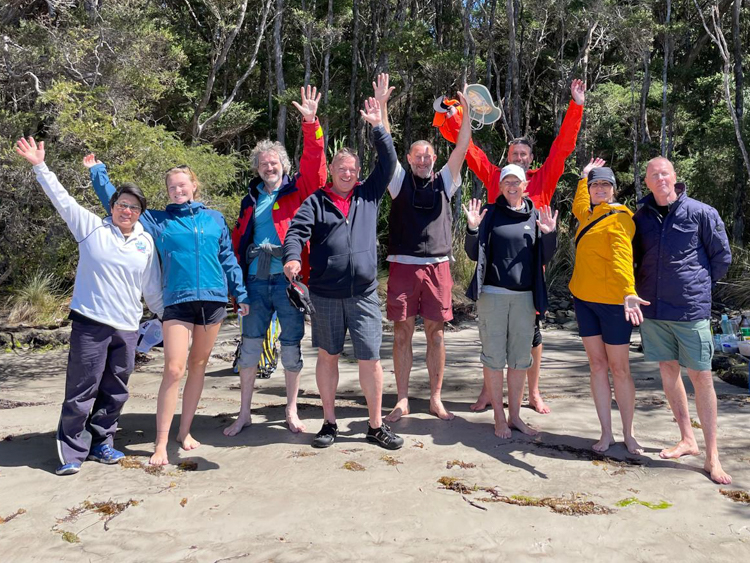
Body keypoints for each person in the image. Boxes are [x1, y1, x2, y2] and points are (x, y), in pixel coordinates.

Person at [85, 155, 250, 466]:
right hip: (176, 302)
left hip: (213, 302)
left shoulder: (214, 219)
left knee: (198, 366)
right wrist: (98, 172)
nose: (177, 191)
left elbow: (228, 258)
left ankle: (183, 433)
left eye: (182, 185)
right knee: (174, 369)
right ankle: (160, 444)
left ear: (194, 186)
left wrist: (239, 293)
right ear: (168, 191)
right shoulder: (158, 220)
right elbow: (119, 204)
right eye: (172, 187)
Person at [15, 137, 163, 476]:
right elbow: (62, 200)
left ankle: (102, 443)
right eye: (122, 204)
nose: (127, 211)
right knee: (82, 387)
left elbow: (151, 286)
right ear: (112, 206)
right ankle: (71, 451)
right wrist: (40, 166)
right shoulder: (91, 228)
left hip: (127, 327)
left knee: (116, 389)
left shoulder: (145, 242)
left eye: (134, 207)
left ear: (140, 213)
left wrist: (167, 317)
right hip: (91, 323)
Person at [437, 80, 586, 414]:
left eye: (524, 155)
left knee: (531, 336)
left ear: (530, 159)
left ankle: (533, 392)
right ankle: (488, 393)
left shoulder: (543, 178)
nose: (518, 158)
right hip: (493, 270)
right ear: (507, 158)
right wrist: (450, 114)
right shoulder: (495, 177)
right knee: (492, 335)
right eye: (514, 154)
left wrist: (576, 105)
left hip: (530, 272)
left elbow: (562, 147)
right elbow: (469, 147)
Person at [283, 97, 403, 450]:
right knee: (328, 357)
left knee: (371, 359)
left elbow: (390, 161)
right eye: (340, 167)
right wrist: (292, 259)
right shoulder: (316, 202)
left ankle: (376, 425)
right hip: (325, 294)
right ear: (332, 170)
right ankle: (330, 422)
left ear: (358, 172)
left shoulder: (369, 195)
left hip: (364, 294)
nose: (346, 173)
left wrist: (379, 126)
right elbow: (295, 233)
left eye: (352, 168)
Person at [224, 85, 327, 436]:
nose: (269, 166)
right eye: (263, 163)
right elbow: (238, 242)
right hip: (254, 281)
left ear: (284, 165)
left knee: (291, 346)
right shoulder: (250, 199)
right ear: (257, 168)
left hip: (288, 282)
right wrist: (234, 285)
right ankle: (244, 413)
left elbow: (315, 166)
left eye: (275, 162)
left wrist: (310, 124)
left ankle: (291, 409)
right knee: (250, 347)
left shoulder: (300, 191)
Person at [372, 73, 472, 422]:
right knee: (402, 333)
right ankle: (401, 399)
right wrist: (383, 105)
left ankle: (435, 398)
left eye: (428, 155)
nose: (424, 160)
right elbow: (386, 147)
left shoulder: (446, 180)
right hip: (402, 265)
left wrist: (468, 115)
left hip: (439, 267)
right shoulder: (398, 181)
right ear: (410, 158)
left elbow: (461, 149)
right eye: (418, 155)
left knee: (437, 334)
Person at [632, 157, 732, 484]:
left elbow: (721, 257)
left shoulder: (702, 212)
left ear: (675, 178)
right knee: (667, 370)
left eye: (665, 173)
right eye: (653, 175)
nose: (660, 179)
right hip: (655, 310)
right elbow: (632, 259)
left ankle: (712, 456)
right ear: (646, 182)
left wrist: (697, 287)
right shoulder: (641, 217)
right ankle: (688, 440)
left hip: (691, 310)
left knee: (701, 376)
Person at [462, 164, 557, 438]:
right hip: (493, 296)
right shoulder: (489, 214)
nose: (512, 186)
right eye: (507, 182)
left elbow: (545, 257)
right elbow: (472, 254)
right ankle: (499, 418)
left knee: (518, 360)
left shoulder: (535, 215)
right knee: (493, 359)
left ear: (525, 185)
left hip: (525, 299)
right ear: (500, 186)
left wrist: (549, 234)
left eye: (517, 181)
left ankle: (515, 416)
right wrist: (471, 228)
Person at [569, 158, 649, 455]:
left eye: (605, 185)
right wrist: (583, 177)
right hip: (584, 300)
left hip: (615, 304)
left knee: (620, 369)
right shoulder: (587, 214)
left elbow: (621, 255)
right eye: (595, 185)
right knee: (597, 366)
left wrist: (629, 291)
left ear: (613, 190)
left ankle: (629, 433)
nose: (599, 189)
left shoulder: (620, 217)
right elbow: (578, 205)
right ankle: (606, 432)